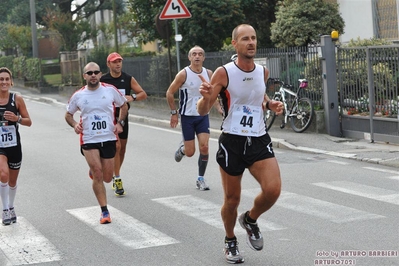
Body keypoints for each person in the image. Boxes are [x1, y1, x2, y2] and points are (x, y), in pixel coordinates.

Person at [197, 24, 284, 263]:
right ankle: (230, 240)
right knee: (232, 200)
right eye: (245, 39)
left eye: (254, 38)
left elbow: (258, 98)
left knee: (273, 190)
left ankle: (250, 219)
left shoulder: (262, 72)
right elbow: (203, 109)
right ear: (235, 44)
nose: (251, 42)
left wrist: (270, 104)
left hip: (258, 138)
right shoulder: (223, 73)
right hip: (232, 141)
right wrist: (205, 99)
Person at [65, 62, 128, 224]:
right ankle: (104, 211)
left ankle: (94, 172)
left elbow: (124, 105)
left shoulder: (109, 90)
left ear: (100, 74)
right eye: (89, 73)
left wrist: (120, 123)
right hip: (89, 139)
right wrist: (74, 124)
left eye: (96, 72)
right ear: (84, 76)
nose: (93, 75)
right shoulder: (78, 95)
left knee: (107, 177)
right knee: (98, 173)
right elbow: (68, 114)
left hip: (108, 137)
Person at [166, 45, 215, 191]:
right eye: (194, 54)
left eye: (200, 54)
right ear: (189, 57)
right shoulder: (183, 74)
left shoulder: (209, 73)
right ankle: (182, 150)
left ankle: (200, 178)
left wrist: (219, 107)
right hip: (187, 117)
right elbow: (169, 92)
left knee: (205, 147)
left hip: (202, 115)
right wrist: (174, 113)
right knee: (190, 152)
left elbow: (213, 94)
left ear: (204, 58)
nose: (197, 56)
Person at [100, 52, 147, 196]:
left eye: (119, 61)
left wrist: (132, 97)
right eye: (114, 62)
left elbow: (143, 94)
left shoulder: (127, 79)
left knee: (122, 150)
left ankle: (114, 174)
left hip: (123, 117)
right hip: (108, 118)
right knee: (116, 145)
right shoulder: (103, 80)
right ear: (109, 64)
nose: (118, 64)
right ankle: (118, 178)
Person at [0, 67, 32, 225]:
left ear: (11, 82)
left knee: (12, 181)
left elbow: (29, 121)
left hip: (14, 145)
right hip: (0, 147)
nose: (4, 82)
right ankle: (5, 209)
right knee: (3, 174)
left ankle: (11, 207)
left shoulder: (16, 99)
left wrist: (16, 118)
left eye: (6, 79)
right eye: (1, 79)